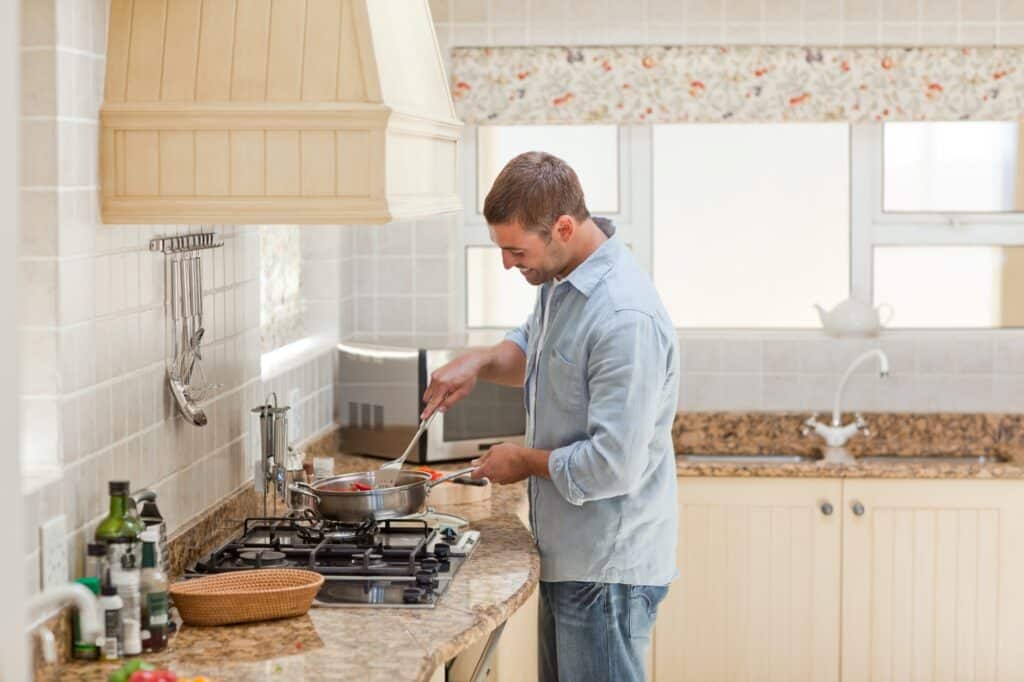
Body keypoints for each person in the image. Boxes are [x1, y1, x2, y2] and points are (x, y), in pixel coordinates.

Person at [421, 151, 679, 682]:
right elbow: (534, 351)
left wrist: (523, 461)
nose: (509, 265)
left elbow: (613, 465)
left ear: (562, 227)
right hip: (573, 556)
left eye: (517, 250)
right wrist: (480, 361)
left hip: (607, 568)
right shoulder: (565, 283)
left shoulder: (623, 317)